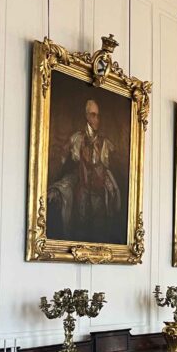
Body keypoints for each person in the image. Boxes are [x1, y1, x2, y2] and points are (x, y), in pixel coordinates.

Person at [47, 98, 122, 243]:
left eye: (98, 115)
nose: (97, 119)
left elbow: (109, 168)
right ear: (87, 116)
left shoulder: (104, 142)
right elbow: (66, 166)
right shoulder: (76, 139)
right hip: (82, 193)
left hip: (99, 194)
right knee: (80, 231)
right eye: (93, 115)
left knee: (100, 232)